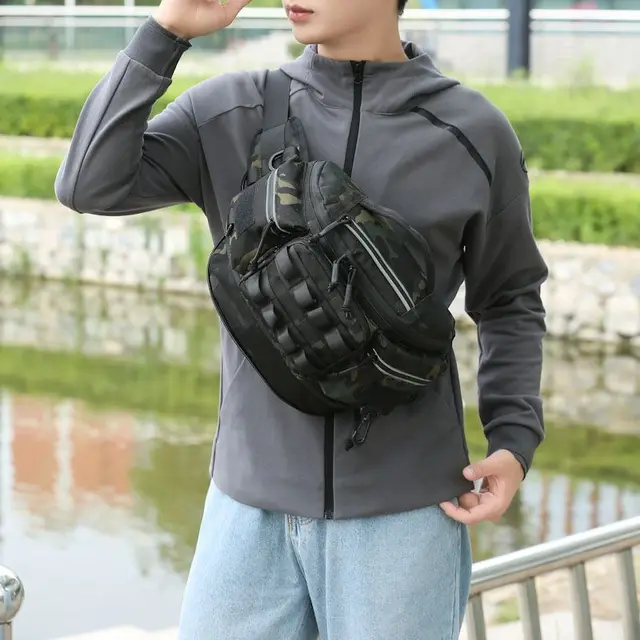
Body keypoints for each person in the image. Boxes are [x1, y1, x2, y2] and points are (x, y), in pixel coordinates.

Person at [55, 0, 548, 637]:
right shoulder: (234, 110)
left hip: (404, 517)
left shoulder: (471, 131)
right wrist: (166, 31)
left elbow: (509, 298)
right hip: (245, 513)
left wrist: (513, 441)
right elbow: (88, 184)